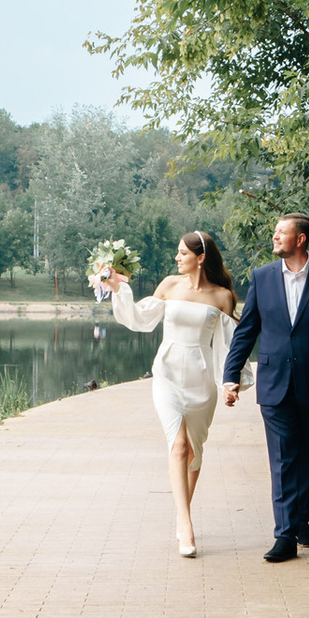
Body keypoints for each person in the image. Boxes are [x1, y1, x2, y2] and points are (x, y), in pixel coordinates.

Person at [222, 214, 309, 562]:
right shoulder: (262, 278)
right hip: (274, 383)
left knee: (307, 457)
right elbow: (246, 331)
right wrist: (231, 375)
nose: (275, 237)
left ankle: (300, 519)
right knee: (282, 458)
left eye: (281, 232)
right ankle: (284, 535)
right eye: (275, 232)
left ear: (301, 239)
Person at [99, 231, 238, 558]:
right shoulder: (169, 285)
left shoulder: (222, 296)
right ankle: (186, 524)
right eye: (177, 253)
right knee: (178, 445)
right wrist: (121, 288)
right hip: (168, 374)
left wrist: (231, 382)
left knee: (194, 452)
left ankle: (181, 513)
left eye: (182, 254)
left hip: (202, 379)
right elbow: (139, 319)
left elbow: (230, 346)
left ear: (200, 257)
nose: (177, 258)